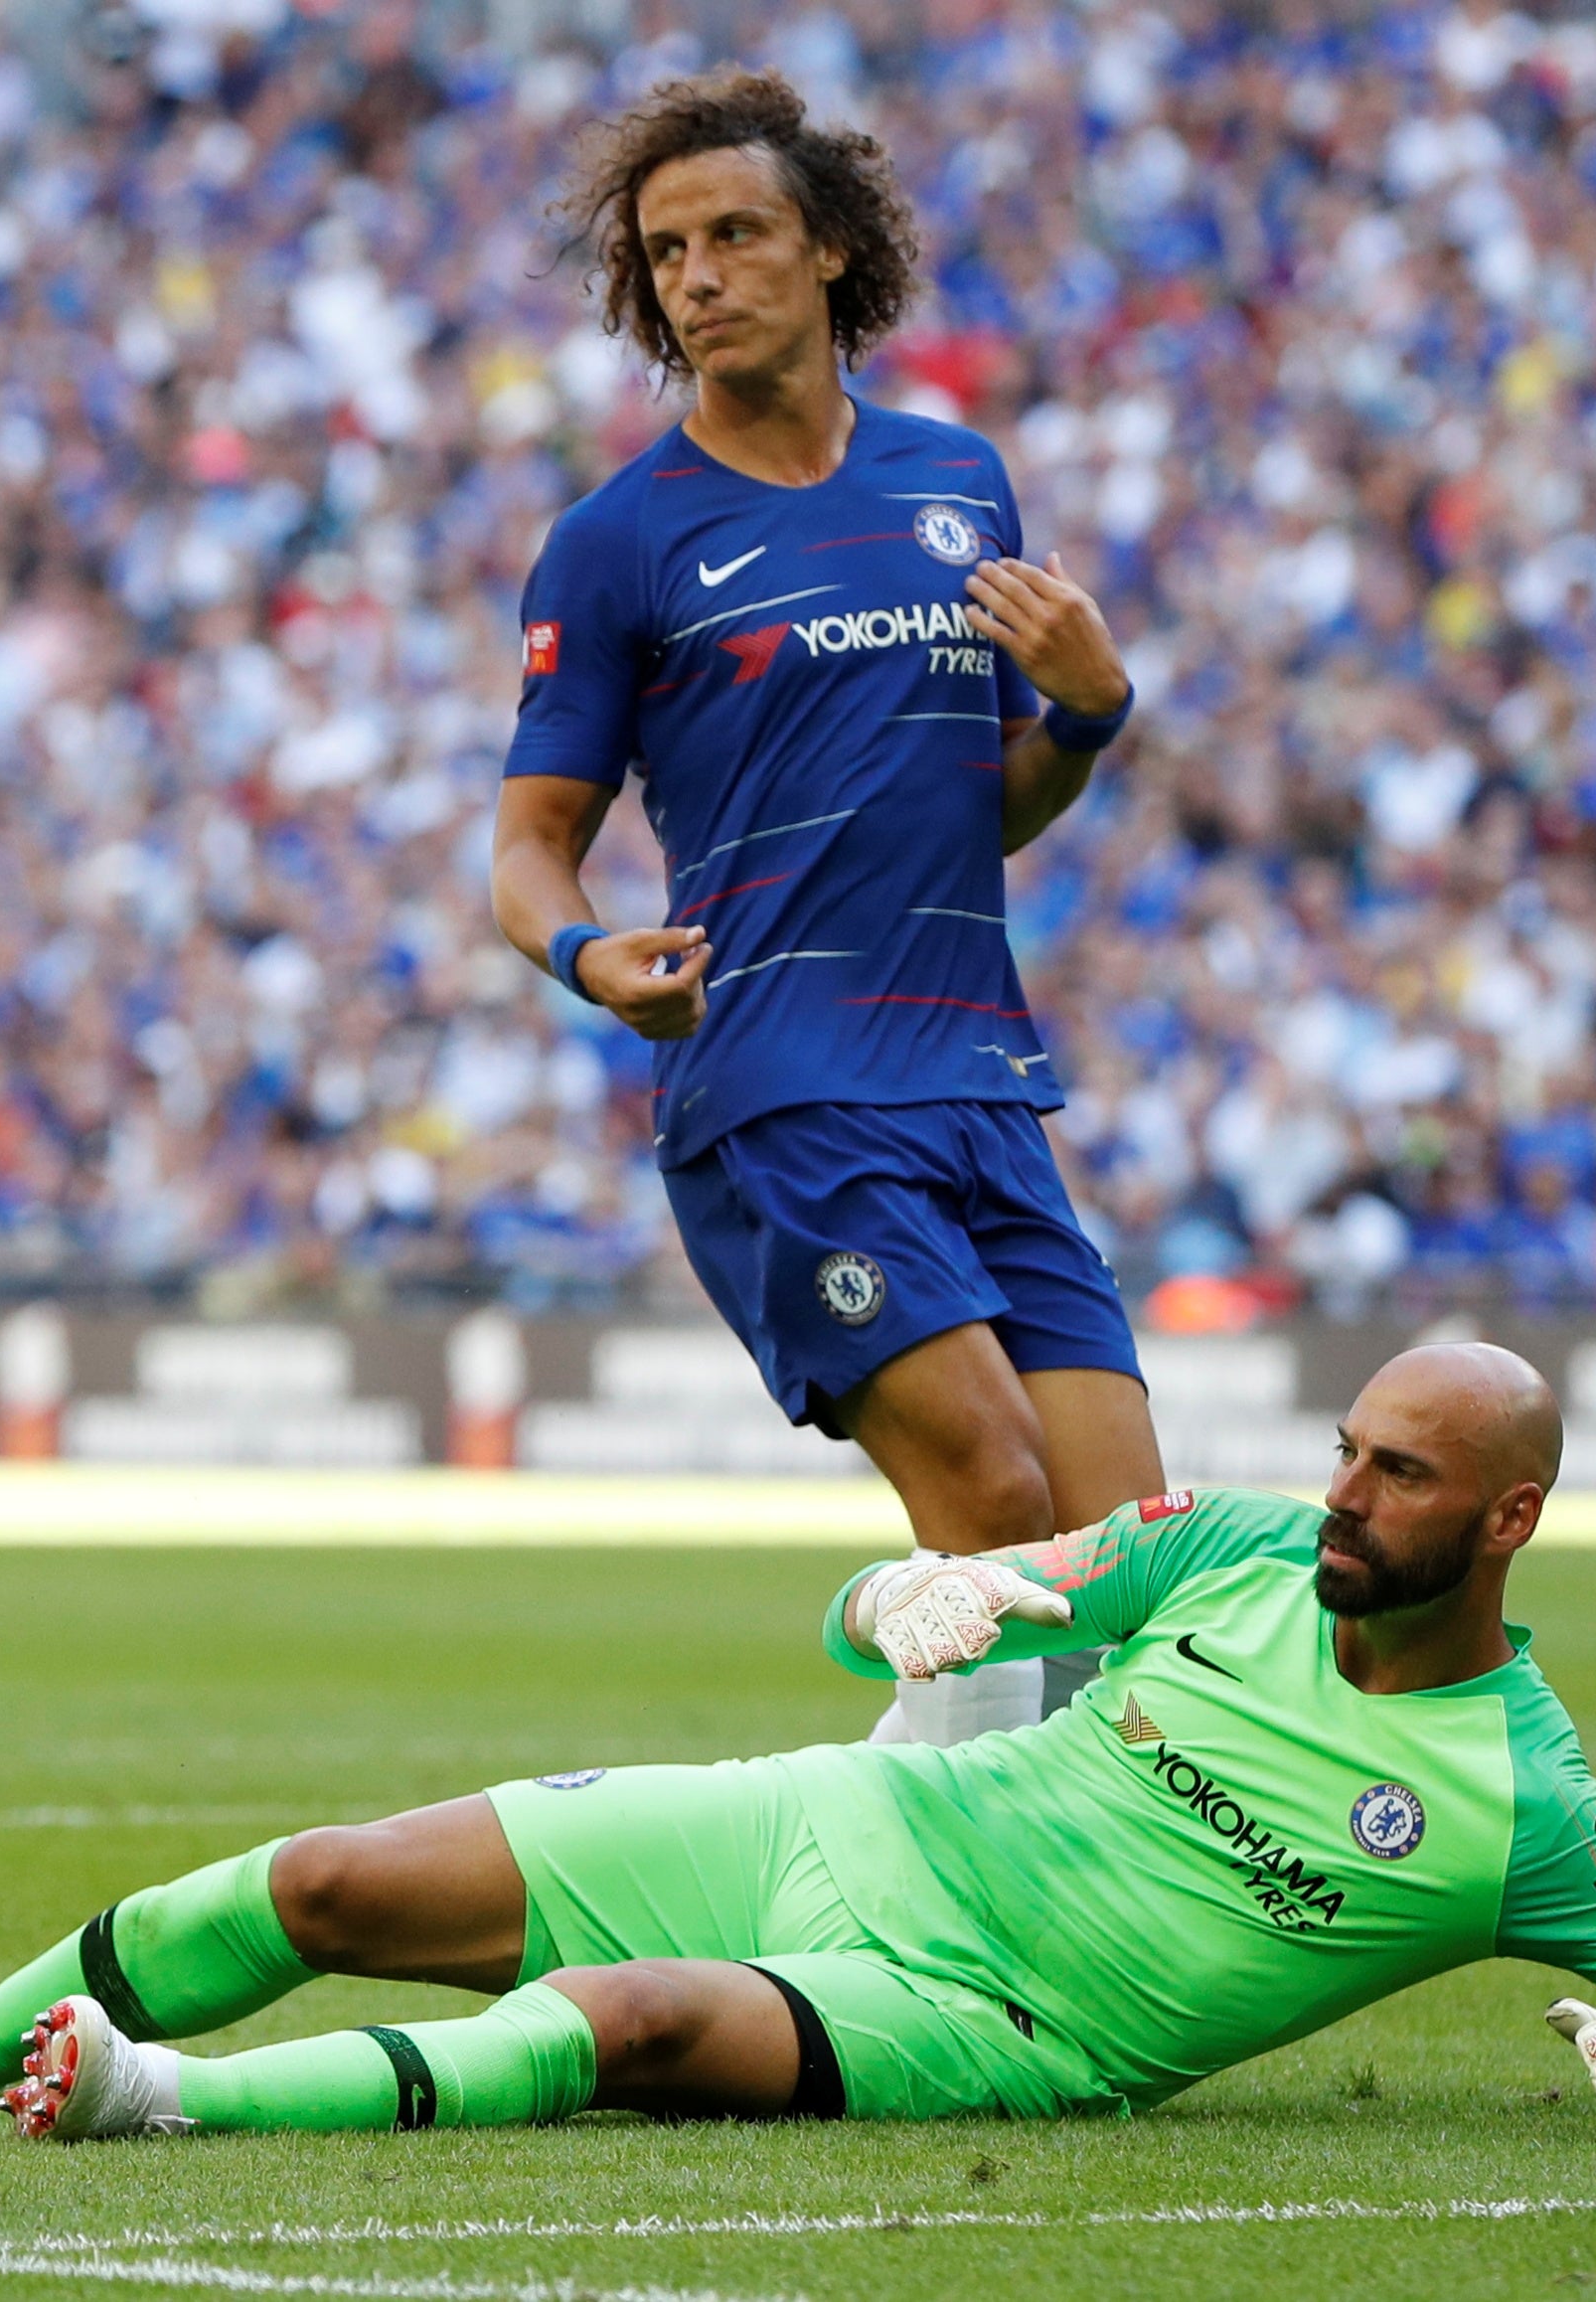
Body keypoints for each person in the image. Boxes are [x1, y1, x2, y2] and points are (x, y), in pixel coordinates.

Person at [0, 1345, 1596, 2150]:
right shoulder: (1242, 1545)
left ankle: (168, 2106)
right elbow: (924, 1610)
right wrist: (889, 1599)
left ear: (1509, 1519)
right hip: (853, 1814)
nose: (1347, 1493)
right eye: (1350, 1447)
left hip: (978, 2011)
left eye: (1399, 1476)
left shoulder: (1527, 1809)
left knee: (608, 2025)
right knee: (333, 1880)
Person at [487, 70, 1161, 1744]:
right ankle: (926, 1941)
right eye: (663, 253)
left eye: (732, 236)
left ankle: (937, 1896)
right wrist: (584, 953)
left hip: (977, 1083)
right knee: (998, 1504)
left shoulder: (956, 480)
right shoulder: (617, 540)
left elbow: (989, 803)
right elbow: (524, 842)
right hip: (780, 1083)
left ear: (833, 254)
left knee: (1135, 1577)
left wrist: (1083, 712)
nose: (695, 276)